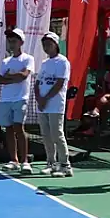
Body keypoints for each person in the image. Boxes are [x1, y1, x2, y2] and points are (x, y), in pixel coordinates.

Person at [0, 28, 34, 175]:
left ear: (21, 42)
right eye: (10, 41)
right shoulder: (6, 61)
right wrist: (14, 77)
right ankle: (14, 160)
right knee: (9, 129)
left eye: (14, 41)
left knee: (19, 128)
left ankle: (25, 161)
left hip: (20, 98)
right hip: (5, 99)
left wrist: (9, 77)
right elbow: (0, 80)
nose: (12, 44)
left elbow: (23, 76)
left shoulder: (28, 59)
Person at [35, 32, 72, 177]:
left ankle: (65, 165)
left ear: (56, 45)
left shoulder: (63, 62)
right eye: (44, 44)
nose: (46, 47)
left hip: (56, 105)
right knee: (46, 135)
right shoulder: (45, 63)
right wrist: (39, 98)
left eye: (49, 44)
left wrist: (46, 98)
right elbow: (38, 82)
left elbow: (60, 83)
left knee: (57, 134)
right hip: (42, 106)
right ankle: (51, 163)